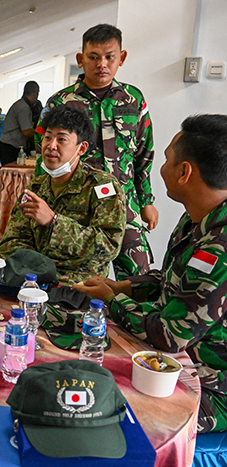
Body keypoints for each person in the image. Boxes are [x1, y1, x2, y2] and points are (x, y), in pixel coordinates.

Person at [75, 114, 227, 434]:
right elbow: (173, 279)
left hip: (212, 388)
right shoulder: (198, 219)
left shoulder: (220, 249)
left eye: (167, 160)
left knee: (97, 409)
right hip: (174, 360)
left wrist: (112, 299)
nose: (160, 168)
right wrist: (125, 286)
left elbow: (170, 334)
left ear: (184, 172)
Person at [36, 23, 158, 280]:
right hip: (78, 207)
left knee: (138, 278)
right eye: (93, 57)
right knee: (79, 280)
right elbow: (45, 154)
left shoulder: (134, 100)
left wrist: (146, 202)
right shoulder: (61, 102)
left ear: (121, 58)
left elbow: (144, 155)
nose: (102, 64)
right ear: (81, 59)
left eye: (109, 57)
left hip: (126, 205)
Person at [0, 105, 126, 285]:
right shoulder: (37, 187)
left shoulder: (102, 187)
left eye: (62, 139)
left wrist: (54, 222)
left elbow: (109, 246)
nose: (51, 146)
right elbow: (12, 240)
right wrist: (33, 268)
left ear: (81, 149)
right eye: (48, 137)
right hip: (32, 276)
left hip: (75, 284)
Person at [0, 81, 39, 166]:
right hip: (10, 147)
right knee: (11, 174)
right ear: (35, 93)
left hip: (11, 144)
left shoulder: (21, 104)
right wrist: (41, 134)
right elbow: (26, 131)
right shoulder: (23, 108)